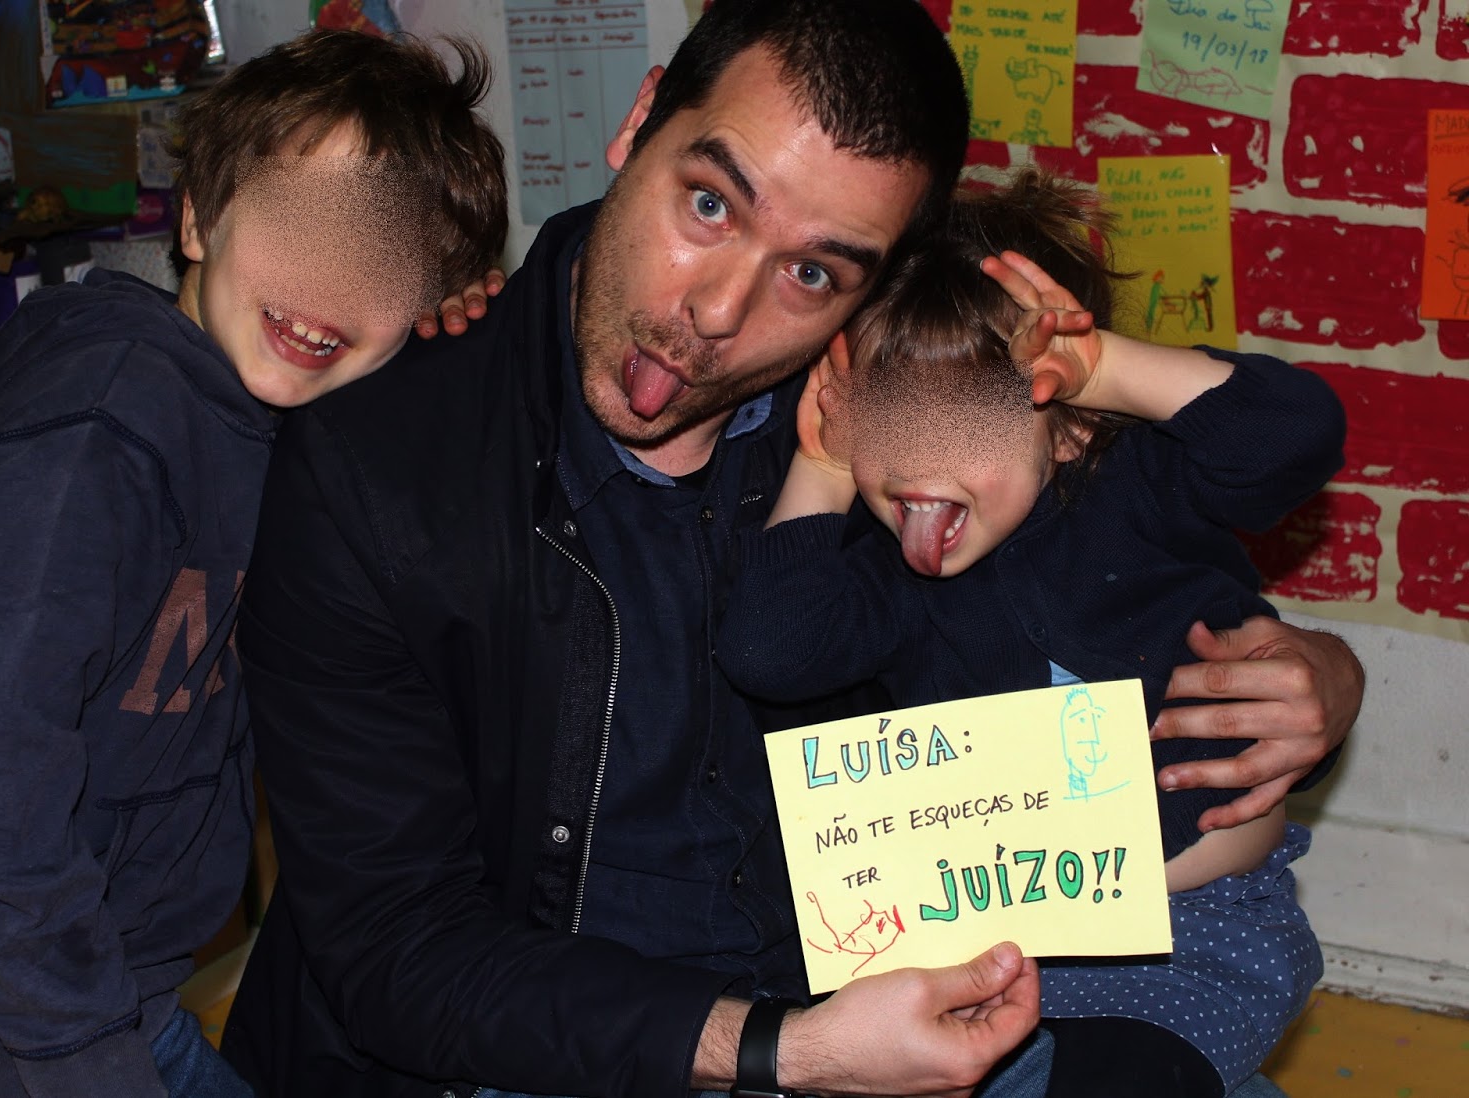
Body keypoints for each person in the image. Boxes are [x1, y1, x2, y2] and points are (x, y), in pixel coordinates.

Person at [221, 3, 1363, 1096]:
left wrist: (1312, 679)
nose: (718, 310)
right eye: (709, 204)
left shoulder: (904, 421)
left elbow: (1129, 577)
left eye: (813, 272)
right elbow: (401, 954)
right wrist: (790, 1052)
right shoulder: (374, 466)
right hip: (525, 1052)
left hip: (911, 997)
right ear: (640, 120)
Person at [0, 29, 506, 1097]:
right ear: (200, 218)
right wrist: (85, 1055)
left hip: (118, 989)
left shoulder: (279, 427)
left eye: (383, 256)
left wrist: (442, 344)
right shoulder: (105, 427)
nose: (327, 279)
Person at [716, 169, 1345, 1097]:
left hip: (1191, 935)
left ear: (1069, 427)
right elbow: (768, 650)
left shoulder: (1138, 493)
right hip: (978, 947)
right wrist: (824, 467)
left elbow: (1295, 435)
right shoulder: (891, 577)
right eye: (887, 426)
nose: (918, 467)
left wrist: (1113, 371)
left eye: (966, 427)